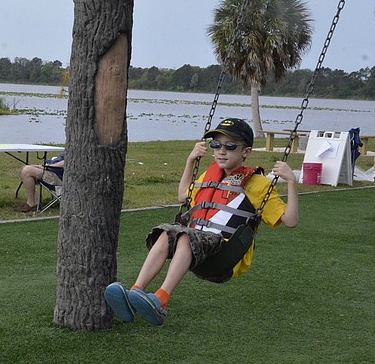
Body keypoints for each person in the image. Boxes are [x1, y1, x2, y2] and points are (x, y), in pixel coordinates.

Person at [104, 118, 299, 327]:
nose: (221, 151)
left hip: (224, 255)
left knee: (186, 237)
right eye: (216, 145)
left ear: (246, 152)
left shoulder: (258, 184)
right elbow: (183, 196)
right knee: (165, 232)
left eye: (230, 146)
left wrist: (291, 181)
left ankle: (161, 300)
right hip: (197, 245)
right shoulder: (210, 175)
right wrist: (190, 161)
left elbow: (290, 220)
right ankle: (135, 293)